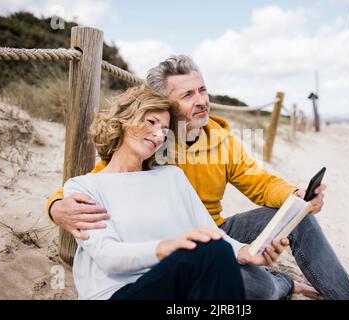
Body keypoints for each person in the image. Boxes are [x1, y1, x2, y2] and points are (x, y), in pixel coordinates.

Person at [48, 55, 349, 300]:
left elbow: (260, 183)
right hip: (179, 247)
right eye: (187, 95)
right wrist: (56, 205)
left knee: (299, 217)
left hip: (217, 229)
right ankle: (281, 285)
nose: (201, 101)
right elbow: (105, 180)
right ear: (164, 105)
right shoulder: (150, 149)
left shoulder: (221, 141)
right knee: (260, 288)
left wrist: (296, 195)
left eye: (202, 90)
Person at [64, 85, 246, 300]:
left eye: (164, 130)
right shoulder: (84, 187)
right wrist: (166, 248)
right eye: (151, 122)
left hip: (173, 286)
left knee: (220, 254)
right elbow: (108, 256)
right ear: (124, 119)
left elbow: (211, 231)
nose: (159, 135)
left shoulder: (172, 176)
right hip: (117, 293)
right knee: (213, 253)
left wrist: (247, 252)